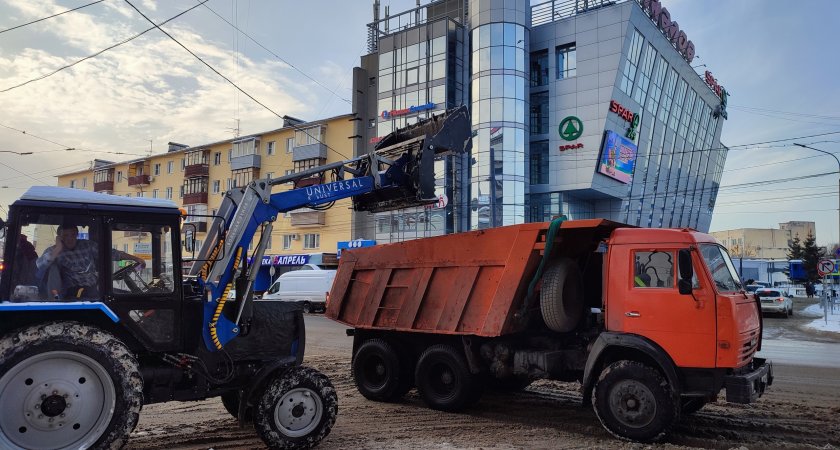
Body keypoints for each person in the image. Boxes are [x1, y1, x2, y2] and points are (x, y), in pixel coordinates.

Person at [36, 224, 145, 299]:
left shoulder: (87, 245)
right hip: (73, 293)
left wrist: (136, 258)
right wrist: (58, 248)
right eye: (65, 235)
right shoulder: (53, 251)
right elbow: (40, 265)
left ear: (77, 234)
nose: (70, 238)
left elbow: (110, 253)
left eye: (73, 234)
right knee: (120, 299)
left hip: (94, 289)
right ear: (59, 237)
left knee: (127, 296)